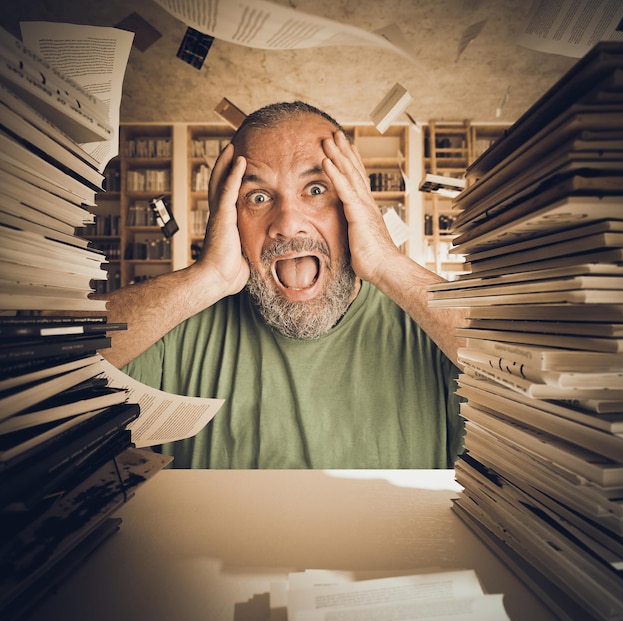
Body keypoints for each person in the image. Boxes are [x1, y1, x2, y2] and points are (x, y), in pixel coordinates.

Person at [100, 101, 468, 469]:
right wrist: (208, 277)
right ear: (230, 217)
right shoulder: (178, 326)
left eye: (316, 189)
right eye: (258, 197)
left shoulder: (430, 329)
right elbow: (49, 370)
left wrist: (389, 264)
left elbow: (519, 376)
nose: (289, 224)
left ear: (355, 202)